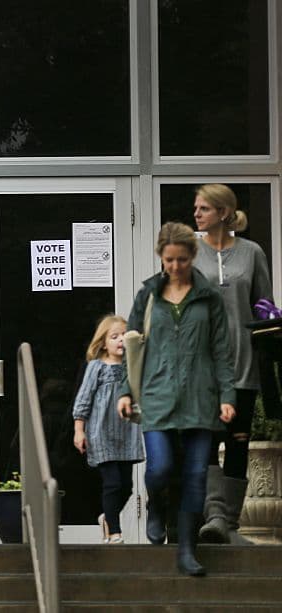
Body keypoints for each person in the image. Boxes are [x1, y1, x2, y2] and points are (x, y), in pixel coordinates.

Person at [117, 222, 235, 576]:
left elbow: (221, 350)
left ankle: (186, 549)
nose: (175, 267)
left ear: (192, 256)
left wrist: (227, 395)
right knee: (161, 467)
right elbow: (132, 349)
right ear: (161, 257)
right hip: (157, 394)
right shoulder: (148, 296)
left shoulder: (209, 297)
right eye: (168, 260)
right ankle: (156, 504)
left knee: (196, 475)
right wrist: (126, 390)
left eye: (182, 259)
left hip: (201, 397)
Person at [191, 183, 272, 544]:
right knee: (207, 443)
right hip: (203, 369)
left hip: (243, 364)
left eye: (204, 208)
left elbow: (264, 309)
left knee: (238, 444)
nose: (196, 214)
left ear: (223, 213)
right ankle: (215, 517)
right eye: (196, 208)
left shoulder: (252, 253)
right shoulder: (190, 252)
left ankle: (232, 523)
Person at [72, 315, 144, 544]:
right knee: (112, 483)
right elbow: (83, 399)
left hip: (126, 433)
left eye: (124, 335)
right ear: (103, 343)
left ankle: (106, 517)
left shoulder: (130, 367)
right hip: (101, 433)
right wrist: (79, 430)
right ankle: (114, 531)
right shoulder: (97, 367)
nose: (121, 340)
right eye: (115, 336)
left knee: (127, 487)